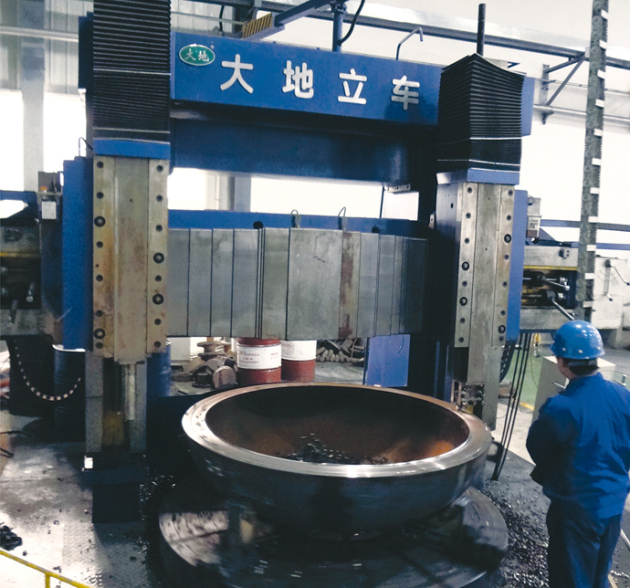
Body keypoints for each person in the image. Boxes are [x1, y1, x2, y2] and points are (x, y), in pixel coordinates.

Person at [526, 320, 630, 588]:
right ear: (596, 358)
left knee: (570, 580)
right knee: (598, 577)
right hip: (612, 507)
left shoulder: (561, 408)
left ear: (562, 363)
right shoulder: (623, 395)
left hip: (576, 513)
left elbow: (537, 449)